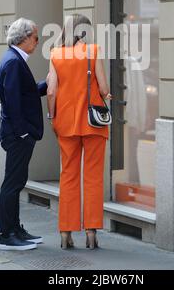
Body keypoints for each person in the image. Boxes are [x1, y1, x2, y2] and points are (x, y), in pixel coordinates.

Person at [47, 14, 112, 250]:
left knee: (68, 176)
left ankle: (66, 232)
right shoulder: (93, 51)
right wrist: (105, 95)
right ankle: (92, 232)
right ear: (84, 31)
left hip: (65, 122)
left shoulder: (55, 54)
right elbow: (104, 87)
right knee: (93, 176)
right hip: (93, 123)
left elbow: (51, 91)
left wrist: (52, 116)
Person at [0, 18, 47, 251]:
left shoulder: (14, 59)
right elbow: (14, 104)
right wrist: (25, 133)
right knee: (12, 183)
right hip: (18, 135)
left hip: (18, 134)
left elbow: (25, 93)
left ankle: (15, 229)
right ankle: (7, 235)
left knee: (16, 183)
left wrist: (47, 84)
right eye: (36, 38)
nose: (37, 43)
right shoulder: (14, 62)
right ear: (25, 38)